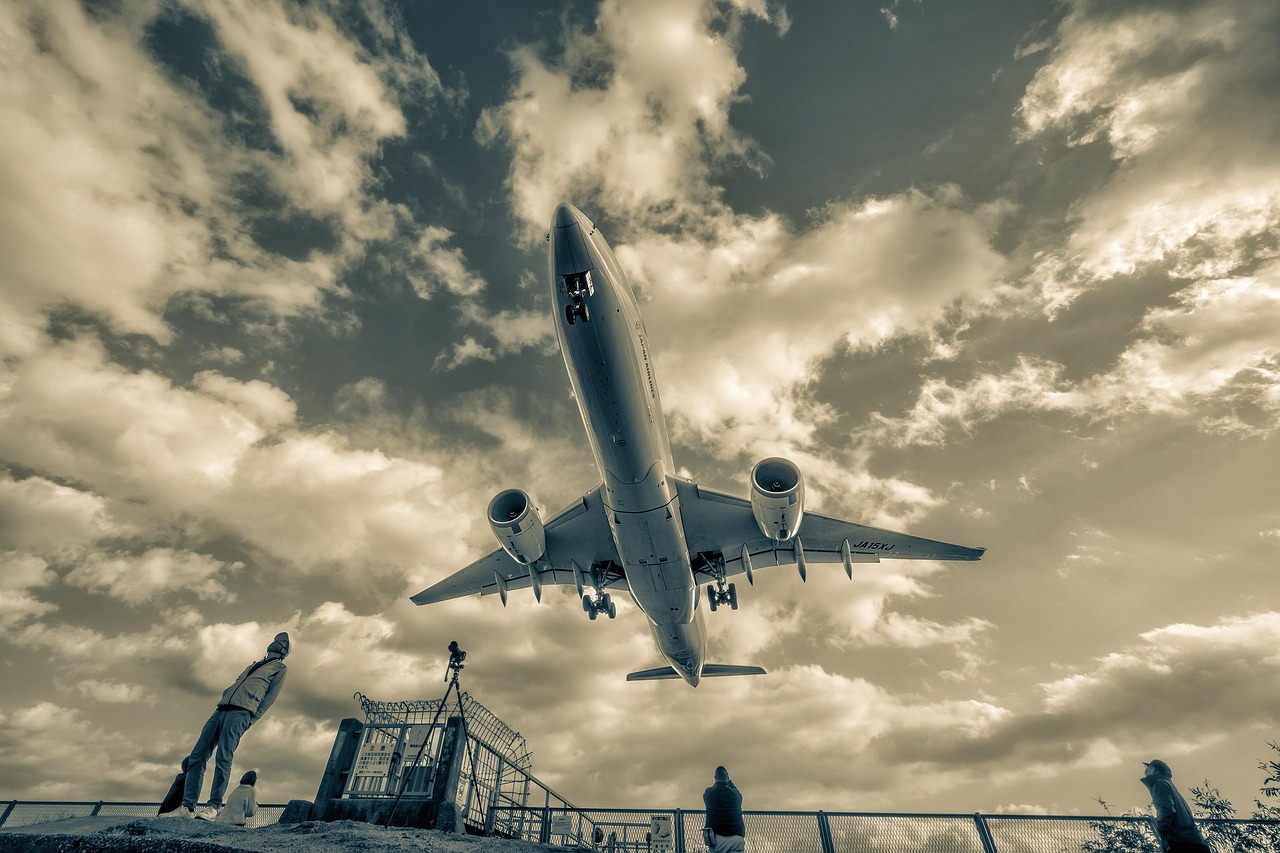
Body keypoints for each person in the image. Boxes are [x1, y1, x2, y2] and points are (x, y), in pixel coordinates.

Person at [171, 631, 290, 820]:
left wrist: (251, 719)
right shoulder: (253, 665)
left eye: (281, 642)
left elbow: (270, 699)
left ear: (284, 650)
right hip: (220, 710)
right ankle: (187, 807)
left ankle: (213, 806)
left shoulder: (279, 669)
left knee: (224, 757)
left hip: (241, 713)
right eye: (277, 641)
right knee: (196, 757)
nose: (277, 643)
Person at [1140, 759, 1212, 853]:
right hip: (1191, 841)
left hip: (1181, 843)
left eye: (1148, 767)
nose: (1145, 769)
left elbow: (1167, 809)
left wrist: (1161, 829)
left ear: (1154, 770)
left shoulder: (1159, 784)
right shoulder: (1169, 785)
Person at [702, 765, 746, 853]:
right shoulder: (736, 795)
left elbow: (711, 790)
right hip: (736, 837)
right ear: (728, 778)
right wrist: (730, 782)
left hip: (717, 839)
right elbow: (735, 790)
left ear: (715, 778)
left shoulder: (709, 794)